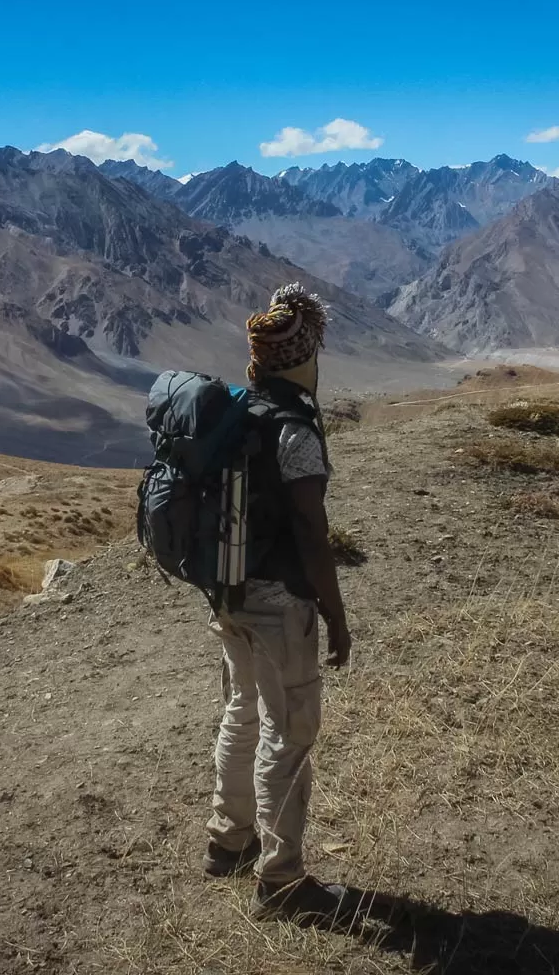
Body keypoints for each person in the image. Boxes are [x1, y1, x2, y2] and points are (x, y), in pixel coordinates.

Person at [201, 284, 354, 923]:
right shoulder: (294, 428)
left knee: (242, 706)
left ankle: (227, 841)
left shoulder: (241, 410)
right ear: (304, 357)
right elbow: (312, 535)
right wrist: (336, 613)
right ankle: (282, 879)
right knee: (288, 731)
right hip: (277, 602)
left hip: (227, 593)